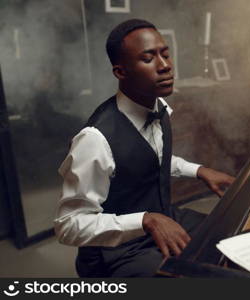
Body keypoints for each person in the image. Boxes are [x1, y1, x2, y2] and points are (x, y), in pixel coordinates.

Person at [54, 19, 235, 277]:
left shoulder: (157, 106)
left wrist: (199, 170)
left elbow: (149, 158)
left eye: (165, 54)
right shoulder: (94, 139)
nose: (165, 66)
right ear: (121, 72)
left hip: (161, 216)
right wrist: (145, 220)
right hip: (117, 251)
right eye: (148, 58)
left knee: (228, 233)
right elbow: (68, 225)